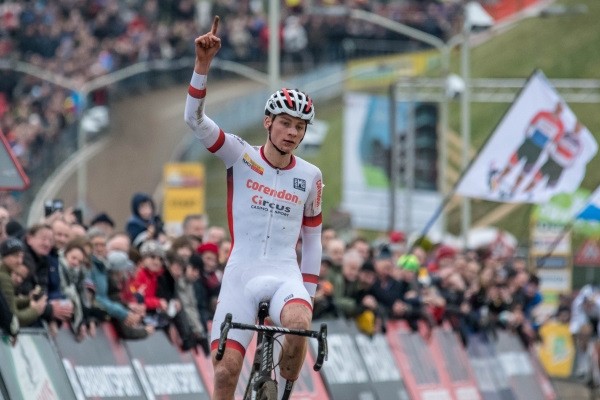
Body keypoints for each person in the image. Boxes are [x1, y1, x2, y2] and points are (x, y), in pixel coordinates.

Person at [184, 16, 323, 400]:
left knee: (299, 324)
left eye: (300, 127)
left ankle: (281, 391)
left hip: (284, 275)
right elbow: (194, 121)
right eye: (284, 124)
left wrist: (307, 294)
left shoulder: (311, 176)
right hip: (241, 275)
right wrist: (202, 66)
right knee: (226, 373)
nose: (292, 133)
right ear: (268, 123)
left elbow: (313, 241)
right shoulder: (240, 156)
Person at [490, 102, 565, 195]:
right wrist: (529, 134)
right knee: (512, 162)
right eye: (558, 107)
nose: (558, 110)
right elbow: (531, 124)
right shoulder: (543, 114)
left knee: (525, 171)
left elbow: (555, 141)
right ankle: (498, 180)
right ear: (555, 106)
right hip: (529, 143)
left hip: (538, 150)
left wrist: (548, 148)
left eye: (561, 109)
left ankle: (513, 189)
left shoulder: (561, 126)